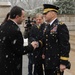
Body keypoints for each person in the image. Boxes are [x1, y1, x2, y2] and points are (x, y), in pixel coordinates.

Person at [0, 6, 38, 75]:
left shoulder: (2, 26)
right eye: (23, 16)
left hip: (3, 65)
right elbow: (19, 50)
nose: (24, 19)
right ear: (17, 16)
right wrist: (31, 46)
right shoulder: (15, 30)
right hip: (12, 67)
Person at [39, 4, 70, 75]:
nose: (44, 15)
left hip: (56, 63)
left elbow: (65, 45)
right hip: (48, 62)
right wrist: (38, 43)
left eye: (46, 13)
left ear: (53, 13)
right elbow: (45, 41)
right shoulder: (48, 26)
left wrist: (63, 62)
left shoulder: (60, 26)